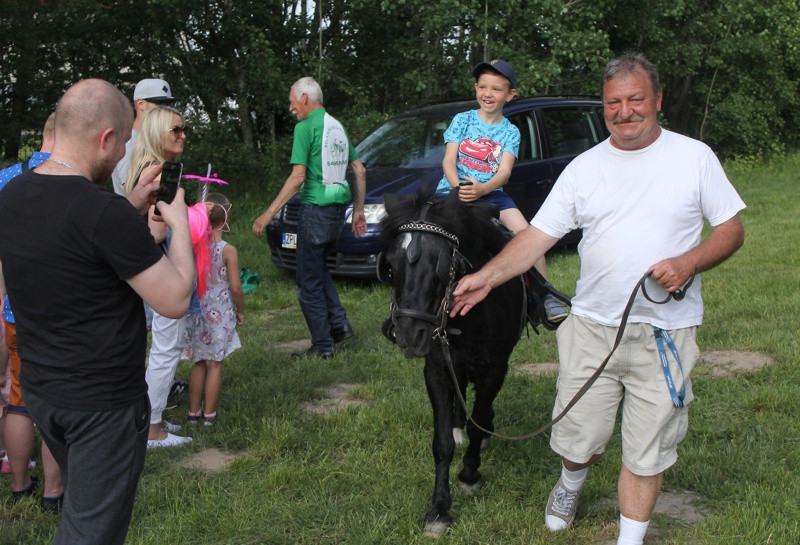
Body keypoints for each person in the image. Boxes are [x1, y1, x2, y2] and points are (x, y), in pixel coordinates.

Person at [450, 53, 745, 545]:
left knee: (646, 450)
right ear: (603, 106)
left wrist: (689, 262)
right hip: (590, 328)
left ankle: (629, 539)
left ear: (658, 100)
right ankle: (570, 482)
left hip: (665, 333)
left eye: (635, 100)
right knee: (578, 438)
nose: (624, 111)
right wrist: (486, 277)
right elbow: (536, 237)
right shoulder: (584, 168)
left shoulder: (695, 157)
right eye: (613, 102)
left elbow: (731, 229)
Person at [0, 78, 195, 545]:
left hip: (45, 391)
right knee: (90, 532)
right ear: (106, 137)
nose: (126, 149)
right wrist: (181, 225)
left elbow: (73, 246)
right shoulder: (102, 213)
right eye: (126, 140)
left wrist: (129, 209)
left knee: (85, 505)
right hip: (101, 404)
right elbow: (175, 298)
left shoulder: (12, 196)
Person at [435, 59, 568, 323]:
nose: (488, 94)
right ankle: (422, 292)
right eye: (483, 87)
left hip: (493, 192)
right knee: (428, 235)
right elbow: (448, 161)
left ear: (510, 95)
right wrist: (459, 188)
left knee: (528, 235)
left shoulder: (511, 131)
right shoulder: (462, 120)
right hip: (452, 189)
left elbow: (504, 172)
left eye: (496, 89)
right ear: (475, 89)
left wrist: (482, 188)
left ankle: (544, 296)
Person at [252, 76, 367, 359]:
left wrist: (268, 214)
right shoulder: (337, 126)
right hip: (338, 211)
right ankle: (338, 324)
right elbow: (360, 170)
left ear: (304, 99)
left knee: (307, 281)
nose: (291, 109)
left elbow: (298, 177)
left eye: (292, 103)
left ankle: (323, 346)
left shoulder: (305, 128)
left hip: (315, 209)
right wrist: (359, 211)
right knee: (318, 268)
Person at [0, 113, 64, 512]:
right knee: (56, 401)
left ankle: (20, 483)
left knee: (20, 399)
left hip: (12, 310)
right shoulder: (73, 180)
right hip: (58, 311)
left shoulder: (4, 179)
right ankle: (53, 493)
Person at [125, 105, 197, 448]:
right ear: (157, 134)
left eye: (185, 130)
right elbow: (154, 232)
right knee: (167, 348)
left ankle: (149, 418)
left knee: (149, 348)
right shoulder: (159, 174)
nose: (182, 135)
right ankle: (152, 429)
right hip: (160, 268)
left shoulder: (140, 166)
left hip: (138, 269)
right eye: (176, 130)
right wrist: (182, 219)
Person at [184, 193, 244, 426]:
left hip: (196, 311)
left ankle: (192, 413)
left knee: (199, 361)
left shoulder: (193, 249)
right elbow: (236, 287)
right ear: (225, 217)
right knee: (215, 363)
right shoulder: (228, 250)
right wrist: (241, 310)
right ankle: (209, 416)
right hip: (220, 313)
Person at [111, 78, 176, 195]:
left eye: (170, 104)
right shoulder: (128, 140)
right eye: (161, 103)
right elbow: (130, 189)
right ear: (141, 104)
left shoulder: (156, 138)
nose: (168, 109)